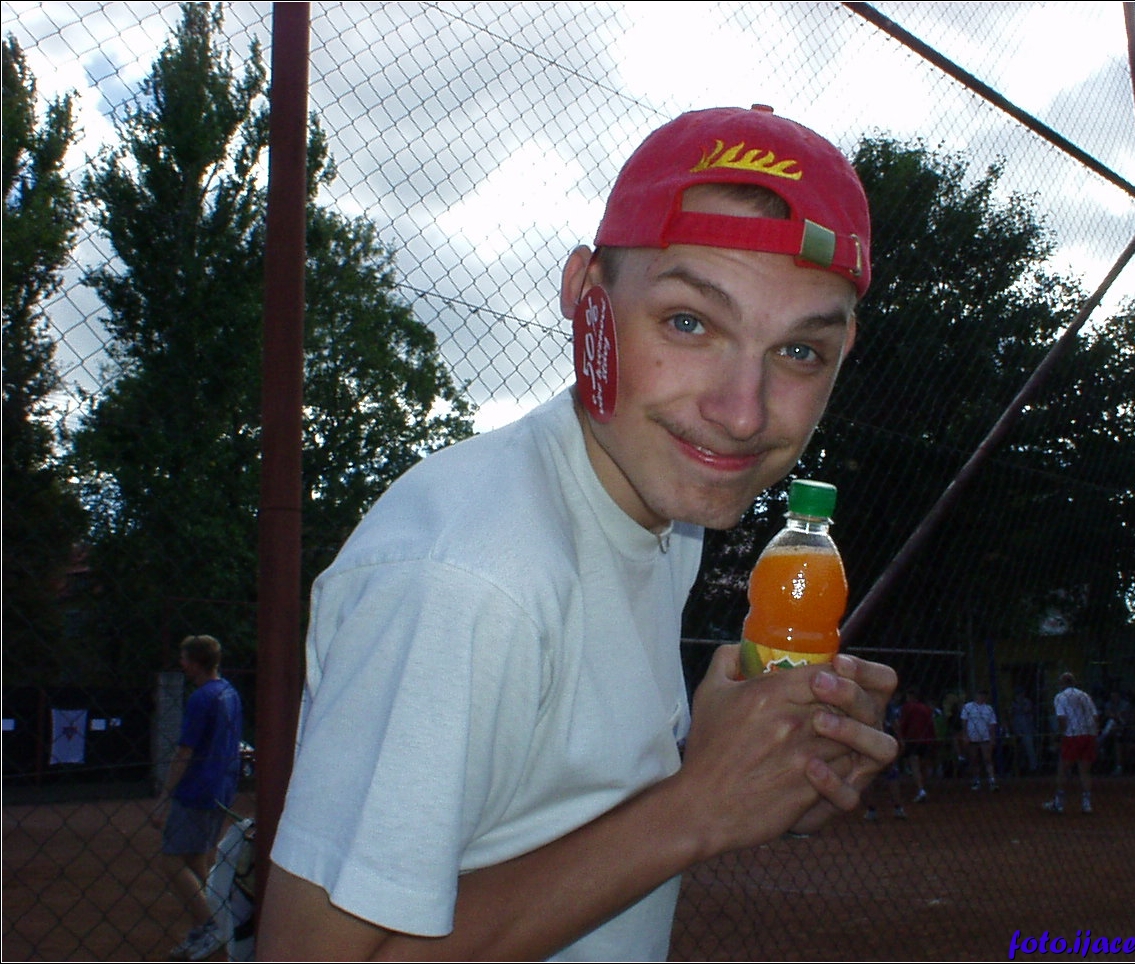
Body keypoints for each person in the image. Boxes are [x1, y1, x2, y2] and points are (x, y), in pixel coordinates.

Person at [257, 105, 899, 960]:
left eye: (798, 352)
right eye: (688, 322)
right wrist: (694, 808)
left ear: (844, 351)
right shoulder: (472, 581)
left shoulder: (660, 513)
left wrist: (765, 768)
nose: (742, 413)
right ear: (584, 294)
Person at [150, 634, 244, 962]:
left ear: (195, 662)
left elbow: (185, 750)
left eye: (185, 658)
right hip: (221, 786)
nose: (182, 663)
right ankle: (212, 925)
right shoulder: (229, 692)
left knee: (172, 860)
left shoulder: (201, 698)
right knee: (197, 859)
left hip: (196, 789)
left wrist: (165, 796)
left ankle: (211, 925)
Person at [1044, 673, 1098, 814]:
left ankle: (1059, 802)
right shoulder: (1084, 695)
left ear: (1061, 683)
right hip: (1088, 733)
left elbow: (1062, 718)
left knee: (1062, 769)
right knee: (1085, 770)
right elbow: (1095, 715)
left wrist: (1061, 734)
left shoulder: (1060, 697)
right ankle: (1086, 803)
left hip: (1073, 734)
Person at [897, 687, 935, 801]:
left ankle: (920, 789)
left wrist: (901, 738)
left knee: (914, 764)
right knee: (924, 763)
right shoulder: (926, 708)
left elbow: (903, 723)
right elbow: (931, 724)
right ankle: (923, 787)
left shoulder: (907, 707)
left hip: (913, 739)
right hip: (926, 739)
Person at [960, 690, 998, 791]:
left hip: (985, 737)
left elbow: (992, 724)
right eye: (979, 694)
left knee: (987, 759)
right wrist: (965, 735)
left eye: (983, 695)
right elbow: (964, 722)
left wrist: (992, 738)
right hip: (972, 737)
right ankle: (976, 780)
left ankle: (992, 780)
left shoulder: (989, 708)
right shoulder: (968, 707)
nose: (981, 697)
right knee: (974, 759)